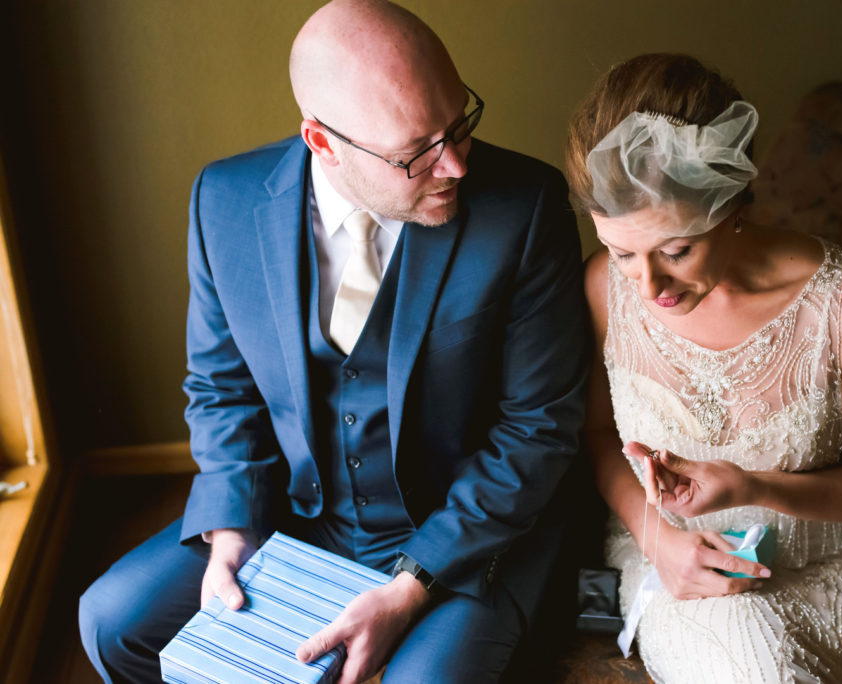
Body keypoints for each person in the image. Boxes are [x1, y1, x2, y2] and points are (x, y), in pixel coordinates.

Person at [78, 1, 588, 682]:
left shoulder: (525, 208)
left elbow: (539, 426)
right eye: (416, 153)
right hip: (295, 517)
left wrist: (411, 587)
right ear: (322, 142)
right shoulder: (223, 202)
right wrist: (232, 531)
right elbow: (219, 389)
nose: (457, 165)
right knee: (111, 621)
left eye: (459, 124)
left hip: (460, 535)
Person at [567, 53, 842, 683]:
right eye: (620, 251)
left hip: (825, 565)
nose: (648, 285)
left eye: (676, 250)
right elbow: (595, 434)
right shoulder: (601, 288)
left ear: (733, 203)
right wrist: (659, 541)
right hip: (671, 557)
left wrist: (755, 488)